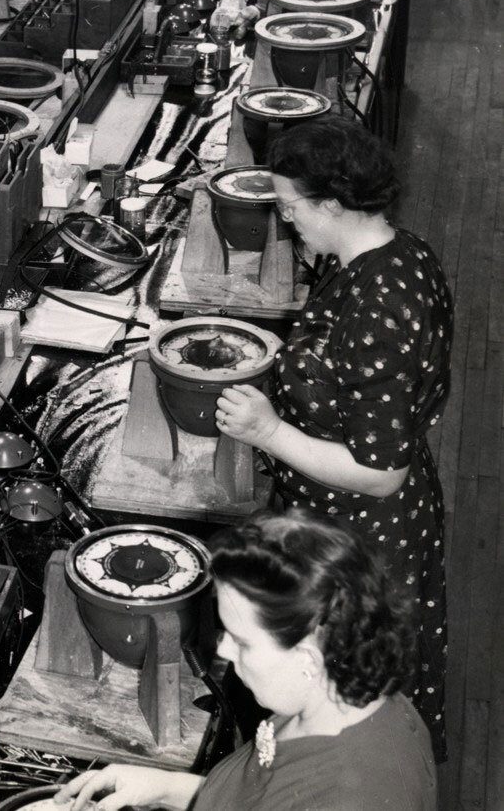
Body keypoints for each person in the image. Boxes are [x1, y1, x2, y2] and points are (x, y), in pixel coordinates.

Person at [215, 117, 450, 759]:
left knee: (343, 708)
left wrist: (268, 430)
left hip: (366, 525)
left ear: (332, 203)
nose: (286, 220)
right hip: (341, 510)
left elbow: (382, 471)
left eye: (291, 207)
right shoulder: (396, 252)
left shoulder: (379, 305)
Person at [59, 509, 437, 811]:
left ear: (307, 656)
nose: (223, 650)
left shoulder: (350, 796)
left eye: (242, 641)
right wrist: (163, 787)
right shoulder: (333, 698)